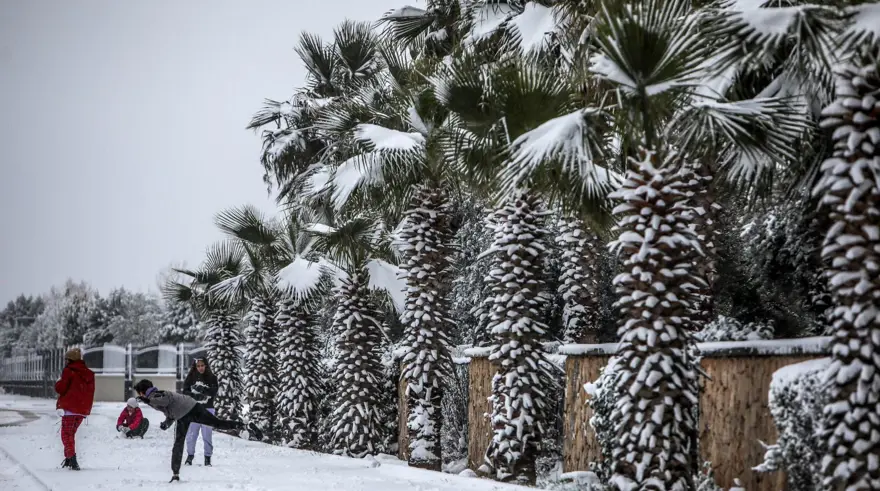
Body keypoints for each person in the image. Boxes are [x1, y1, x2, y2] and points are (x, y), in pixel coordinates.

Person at [133, 378, 262, 483]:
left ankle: (175, 474)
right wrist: (167, 423)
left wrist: (147, 400)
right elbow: (170, 410)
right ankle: (245, 426)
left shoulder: (158, 394)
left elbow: (165, 401)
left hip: (187, 412)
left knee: (179, 443)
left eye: (139, 394)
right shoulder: (155, 397)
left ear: (142, 392)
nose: (140, 396)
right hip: (190, 408)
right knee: (217, 423)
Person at [54, 347, 95, 471]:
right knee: (70, 434)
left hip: (70, 409)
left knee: (66, 434)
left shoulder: (69, 371)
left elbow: (61, 388)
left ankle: (72, 458)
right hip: (82, 409)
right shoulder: (88, 373)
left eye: (66, 359)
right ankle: (68, 458)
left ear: (69, 360)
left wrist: (58, 383)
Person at [182, 357, 218, 466]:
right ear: (195, 366)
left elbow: (214, 391)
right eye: (198, 366)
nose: (200, 368)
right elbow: (185, 392)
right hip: (193, 409)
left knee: (207, 435)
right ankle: (190, 456)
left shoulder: (212, 378)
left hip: (208, 409)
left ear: (206, 365)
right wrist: (195, 395)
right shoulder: (190, 377)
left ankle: (207, 458)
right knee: (191, 434)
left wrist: (203, 390)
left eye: (202, 365)